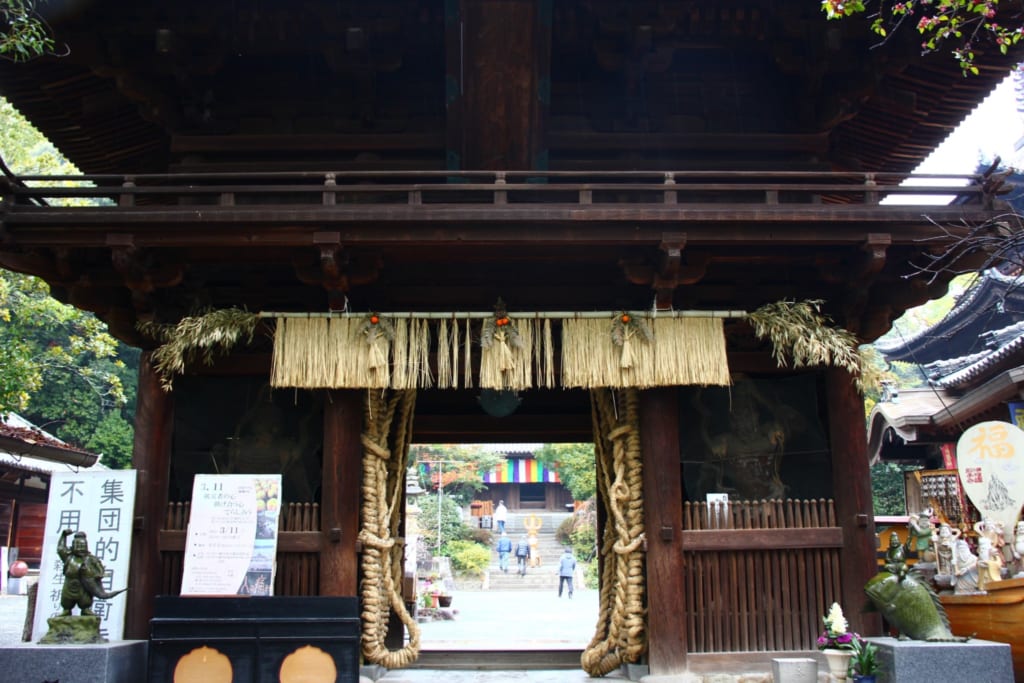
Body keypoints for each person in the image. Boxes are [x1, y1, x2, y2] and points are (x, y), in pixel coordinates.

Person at [56, 529, 127, 617]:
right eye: (77, 546)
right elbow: (60, 549)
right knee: (66, 600)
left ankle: (85, 609)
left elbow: (100, 568)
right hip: (70, 584)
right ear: (73, 546)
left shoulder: (91, 559)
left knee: (85, 600)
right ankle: (66, 610)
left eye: (82, 546)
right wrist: (63, 536)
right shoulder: (69, 557)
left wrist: (99, 574)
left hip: (85, 585)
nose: (80, 548)